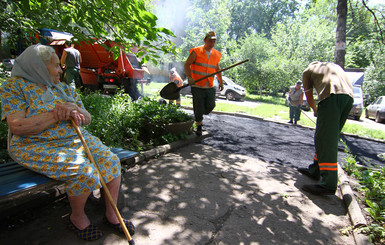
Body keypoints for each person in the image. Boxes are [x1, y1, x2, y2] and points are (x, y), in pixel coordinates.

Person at [0, 44, 135, 241]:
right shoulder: (14, 87)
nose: (61, 69)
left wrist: (75, 109)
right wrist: (56, 114)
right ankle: (77, 217)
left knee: (111, 161)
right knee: (84, 172)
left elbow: (87, 118)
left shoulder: (62, 88)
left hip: (74, 139)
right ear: (38, 67)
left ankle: (112, 214)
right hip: (34, 145)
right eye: (55, 65)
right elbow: (18, 127)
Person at [298, 61, 353, 196]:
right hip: (348, 99)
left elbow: (309, 94)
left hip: (331, 98)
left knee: (325, 140)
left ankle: (328, 184)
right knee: (327, 137)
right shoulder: (333, 66)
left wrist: (315, 109)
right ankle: (315, 170)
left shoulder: (308, 71)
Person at [184, 31, 224, 136]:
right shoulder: (197, 51)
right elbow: (187, 64)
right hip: (197, 85)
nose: (212, 43)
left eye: (214, 41)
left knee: (211, 105)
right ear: (205, 40)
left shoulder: (216, 54)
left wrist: (221, 82)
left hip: (209, 85)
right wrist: (189, 77)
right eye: (210, 40)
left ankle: (200, 114)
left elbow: (217, 68)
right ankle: (199, 126)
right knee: (198, 106)